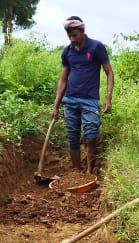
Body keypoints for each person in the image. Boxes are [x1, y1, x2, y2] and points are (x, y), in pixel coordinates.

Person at [51, 16, 115, 174]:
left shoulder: (96, 47)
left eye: (74, 36)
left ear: (82, 31)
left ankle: (89, 172)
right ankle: (77, 171)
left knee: (91, 136)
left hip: (90, 101)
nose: (72, 39)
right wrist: (56, 106)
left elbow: (109, 72)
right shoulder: (67, 52)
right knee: (73, 137)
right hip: (70, 100)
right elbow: (63, 80)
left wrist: (108, 97)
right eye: (69, 36)